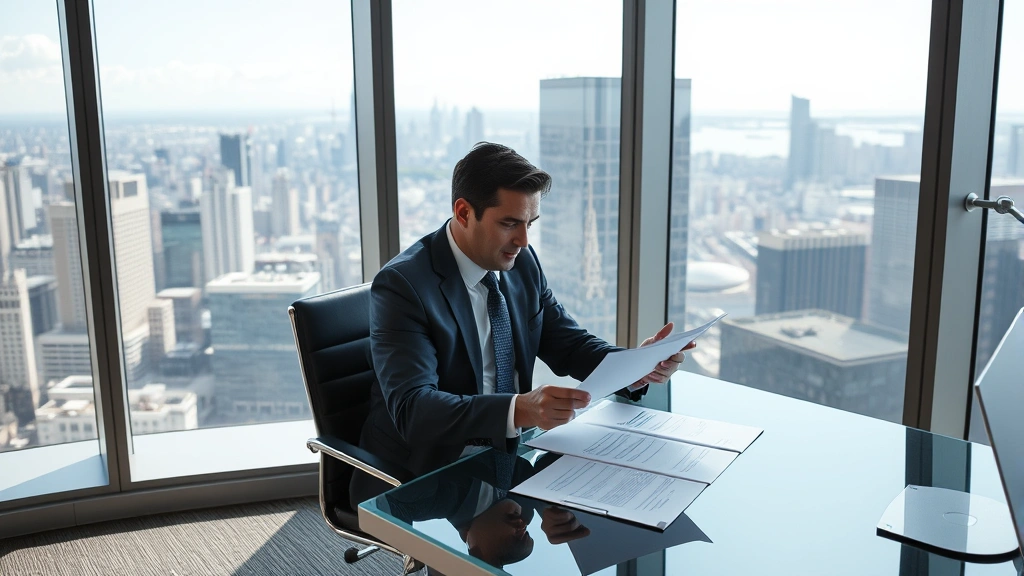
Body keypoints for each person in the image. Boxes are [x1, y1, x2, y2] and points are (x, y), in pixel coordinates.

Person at [351, 142, 695, 508]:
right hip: (425, 474)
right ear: (464, 212)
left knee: (626, 501)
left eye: (529, 224)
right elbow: (414, 410)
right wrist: (519, 410)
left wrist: (635, 365)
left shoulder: (521, 262)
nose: (524, 240)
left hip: (510, 457)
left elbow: (569, 344)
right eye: (509, 224)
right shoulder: (404, 286)